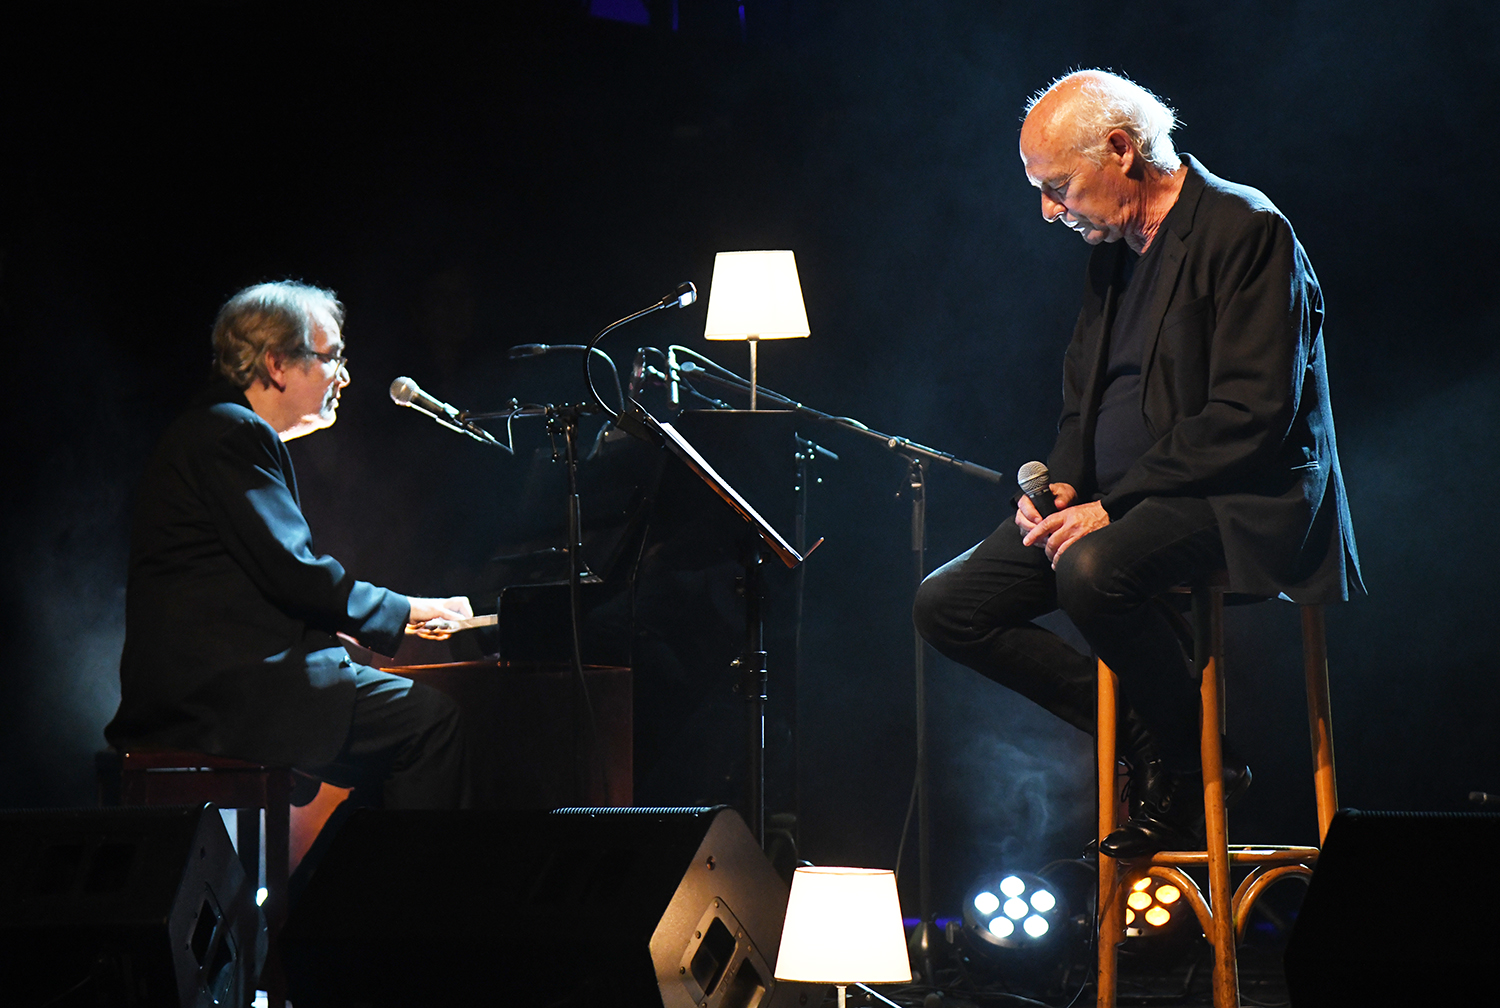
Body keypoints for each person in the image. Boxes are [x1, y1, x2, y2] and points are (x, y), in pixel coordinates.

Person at [913, 71, 1363, 857]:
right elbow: (1084, 394)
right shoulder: (1115, 251)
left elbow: (1252, 415)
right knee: (948, 605)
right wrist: (1064, 481)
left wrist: (1112, 506)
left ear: (1121, 150)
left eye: (1058, 187)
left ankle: (1187, 777)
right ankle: (1164, 740)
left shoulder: (1247, 229)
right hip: (1122, 502)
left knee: (1092, 571)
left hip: (1237, 497)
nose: (1048, 210)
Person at [107, 281, 473, 809]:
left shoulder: (214, 430)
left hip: (205, 689)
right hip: (220, 699)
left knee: (396, 742)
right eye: (332, 357)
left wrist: (350, 631)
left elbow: (252, 586)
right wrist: (409, 611)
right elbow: (296, 574)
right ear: (277, 364)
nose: (344, 376)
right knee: (430, 723)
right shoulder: (233, 434)